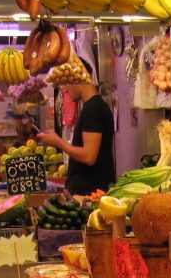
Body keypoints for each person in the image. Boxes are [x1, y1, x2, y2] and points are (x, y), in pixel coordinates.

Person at [37, 59, 116, 195]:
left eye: (66, 82)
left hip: (90, 194)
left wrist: (58, 142)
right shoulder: (92, 107)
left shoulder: (93, 110)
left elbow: (89, 157)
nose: (64, 88)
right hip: (87, 192)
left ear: (78, 78)